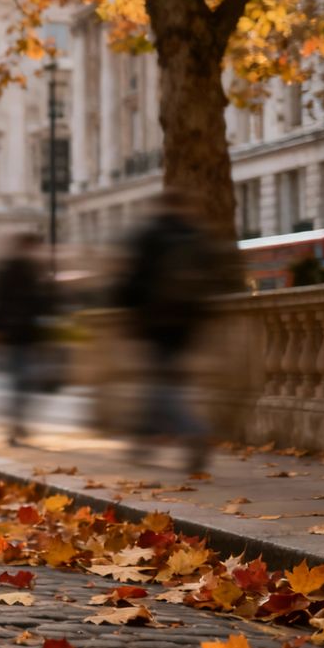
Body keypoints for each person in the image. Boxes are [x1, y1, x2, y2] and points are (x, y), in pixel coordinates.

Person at [114, 191, 227, 472]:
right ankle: (142, 440)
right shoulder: (196, 236)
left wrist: (127, 313)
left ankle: (194, 432)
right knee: (162, 384)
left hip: (155, 321)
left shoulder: (149, 235)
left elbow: (131, 281)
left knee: (162, 387)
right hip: (187, 323)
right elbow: (216, 279)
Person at [0, 232, 55, 446]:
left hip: (24, 335)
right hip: (18, 334)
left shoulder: (30, 270)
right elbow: (1, 302)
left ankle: (15, 420)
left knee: (24, 381)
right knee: (22, 381)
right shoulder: (19, 270)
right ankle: (15, 422)